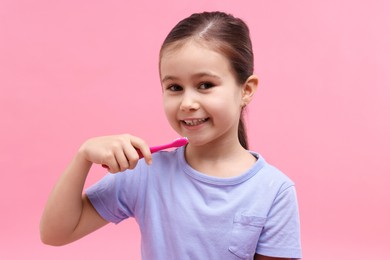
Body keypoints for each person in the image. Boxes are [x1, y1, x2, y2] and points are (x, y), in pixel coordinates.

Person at [40, 11, 302, 260]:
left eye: (205, 85)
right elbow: (55, 233)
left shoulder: (274, 191)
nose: (187, 102)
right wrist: (83, 156)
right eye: (174, 87)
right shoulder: (147, 173)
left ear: (246, 90)